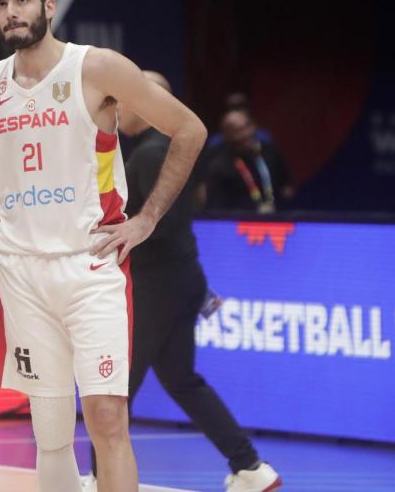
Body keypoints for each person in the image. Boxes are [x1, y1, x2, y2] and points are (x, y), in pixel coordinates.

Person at [0, 0, 207, 492]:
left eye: (22, 0)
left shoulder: (96, 68)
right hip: (23, 272)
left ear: (48, 7)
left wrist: (146, 219)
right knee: (50, 432)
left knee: (105, 419)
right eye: (2, 4)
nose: (11, 12)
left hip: (90, 265)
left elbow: (189, 130)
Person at [83, 71, 281, 492]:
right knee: (181, 379)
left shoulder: (152, 154)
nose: (117, 108)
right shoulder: (165, 150)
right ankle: (250, 468)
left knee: (114, 387)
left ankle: (99, 479)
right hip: (180, 279)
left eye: (124, 99)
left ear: (148, 103)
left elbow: (162, 226)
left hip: (158, 286)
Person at [203, 105, 292, 213]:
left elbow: (287, 187)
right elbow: (215, 208)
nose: (245, 134)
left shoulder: (271, 152)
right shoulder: (219, 166)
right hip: (238, 224)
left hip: (277, 220)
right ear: (226, 135)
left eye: (247, 126)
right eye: (237, 130)